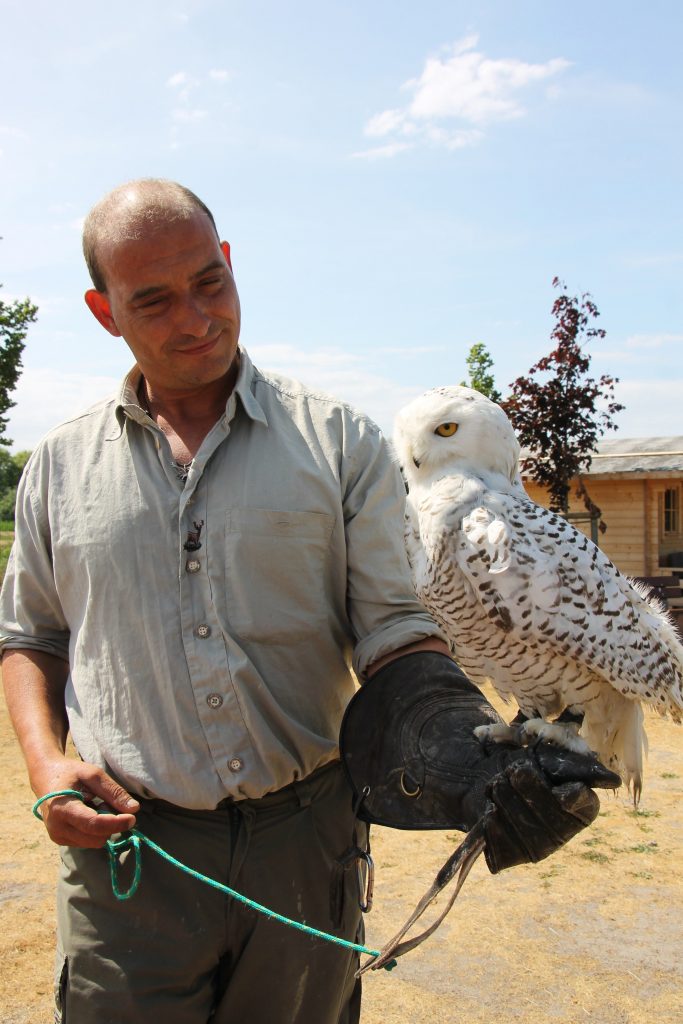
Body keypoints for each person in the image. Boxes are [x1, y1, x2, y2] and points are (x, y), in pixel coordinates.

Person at [0, 179, 613, 1024]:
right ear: (104, 312)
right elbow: (29, 634)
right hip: (131, 856)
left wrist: (467, 755)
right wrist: (43, 765)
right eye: (154, 301)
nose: (195, 318)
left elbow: (398, 632)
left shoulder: (340, 442)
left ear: (230, 264)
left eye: (209, 282)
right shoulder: (58, 469)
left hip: (305, 844)